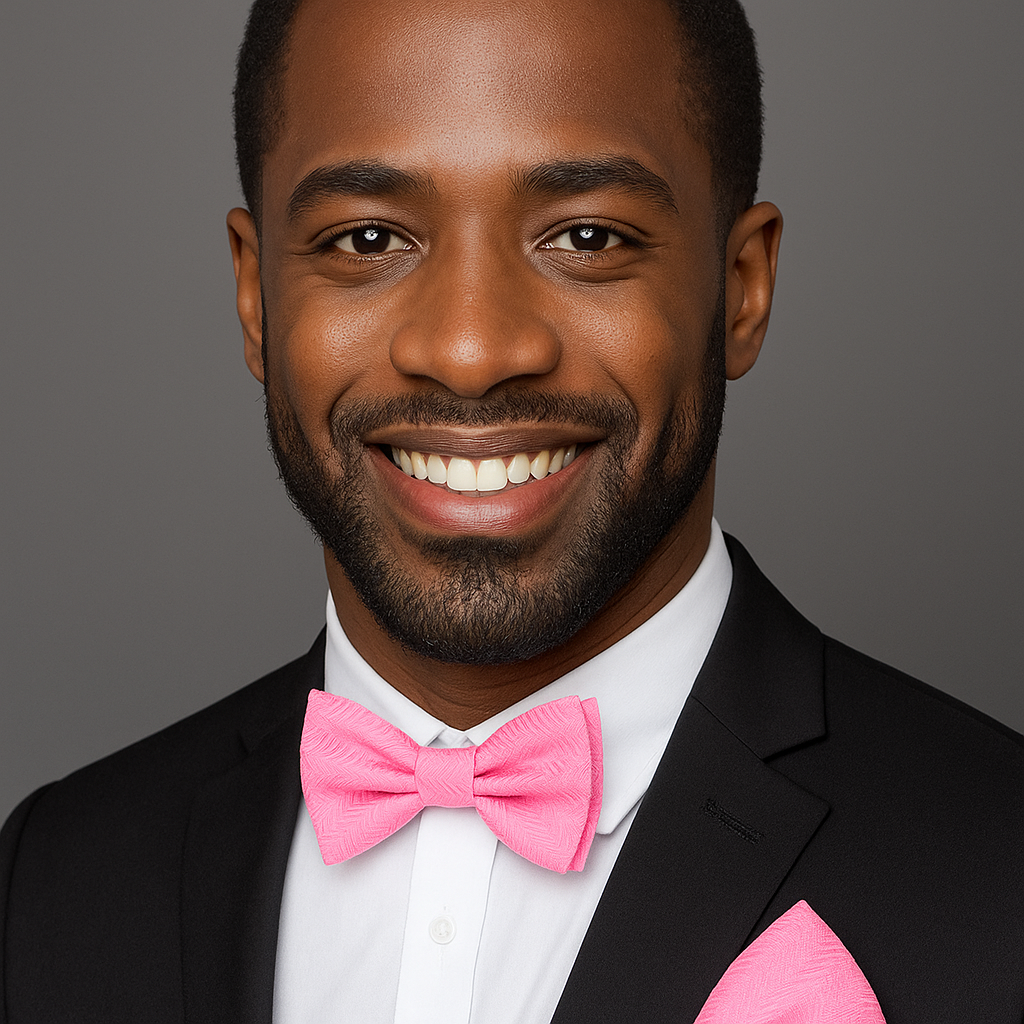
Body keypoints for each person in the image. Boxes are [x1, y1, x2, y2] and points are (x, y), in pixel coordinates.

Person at [2, 0, 1022, 1020]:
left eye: (585, 236)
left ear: (740, 288)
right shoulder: (50, 881)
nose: (472, 351)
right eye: (367, 238)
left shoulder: (996, 868)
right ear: (255, 295)